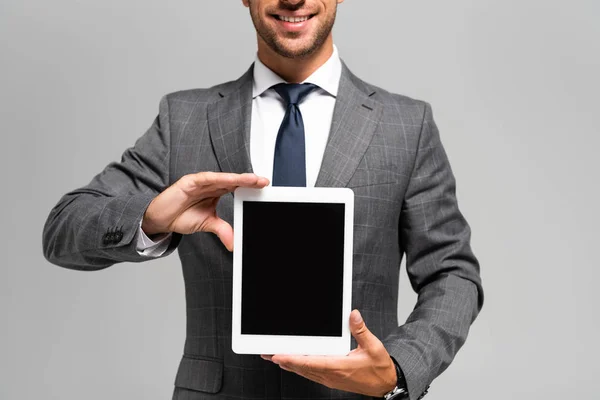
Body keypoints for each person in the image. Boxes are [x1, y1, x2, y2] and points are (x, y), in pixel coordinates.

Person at [42, 0, 484, 399]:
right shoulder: (185, 120)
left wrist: (400, 368)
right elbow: (63, 229)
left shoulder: (406, 125)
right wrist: (152, 217)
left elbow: (452, 271)